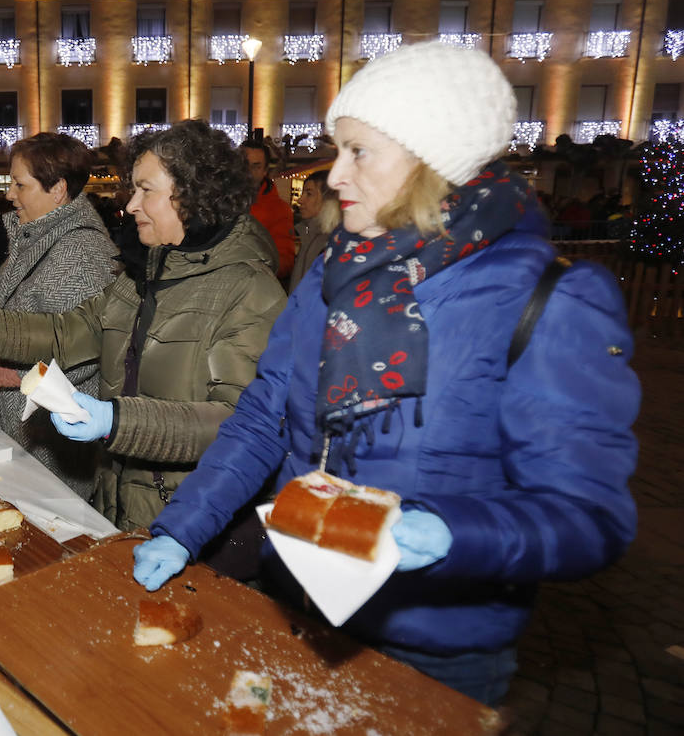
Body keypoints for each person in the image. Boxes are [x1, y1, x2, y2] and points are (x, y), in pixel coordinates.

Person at [134, 42, 639, 706]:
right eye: (336, 149)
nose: (335, 175)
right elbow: (262, 417)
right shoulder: (328, 275)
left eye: (359, 152)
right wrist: (181, 527)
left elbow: (589, 513)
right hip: (298, 604)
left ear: (435, 161)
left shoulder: (548, 299)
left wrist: (454, 533)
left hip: (435, 648)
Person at [0, 120, 286, 531]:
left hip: (191, 518)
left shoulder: (249, 290)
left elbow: (238, 424)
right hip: (119, 500)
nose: (130, 205)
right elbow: (64, 332)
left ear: (195, 195)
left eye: (147, 190)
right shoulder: (144, 272)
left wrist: (117, 421)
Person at [0, 134, 118, 497]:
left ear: (58, 190)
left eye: (20, 184)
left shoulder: (80, 254)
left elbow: (75, 360)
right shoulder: (38, 237)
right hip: (22, 433)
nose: (9, 194)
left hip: (52, 447)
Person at [242, 141, 295, 280]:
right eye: (244, 164)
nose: (248, 171)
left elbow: (285, 259)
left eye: (256, 166)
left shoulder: (278, 209)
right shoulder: (220, 200)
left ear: (265, 170)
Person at [288, 169, 340, 293]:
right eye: (303, 193)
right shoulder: (309, 234)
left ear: (328, 199)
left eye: (309, 194)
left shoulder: (331, 241)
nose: (300, 200)